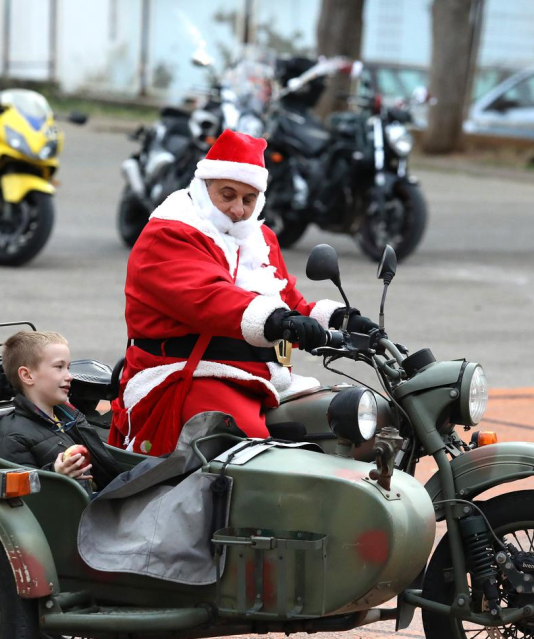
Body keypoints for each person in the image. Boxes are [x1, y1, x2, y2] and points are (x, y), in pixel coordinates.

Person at [109, 129, 377, 457]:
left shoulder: (258, 237)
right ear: (204, 187)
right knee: (251, 453)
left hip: (259, 378)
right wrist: (281, 320)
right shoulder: (169, 233)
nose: (238, 209)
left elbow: (288, 302)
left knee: (340, 424)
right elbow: (208, 297)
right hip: (185, 374)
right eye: (228, 194)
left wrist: (343, 320)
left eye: (248, 199)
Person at [0, 330, 113, 483]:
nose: (69, 376)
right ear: (27, 376)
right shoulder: (12, 436)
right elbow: (21, 496)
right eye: (59, 367)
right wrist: (56, 474)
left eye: (68, 367)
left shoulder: (68, 416)